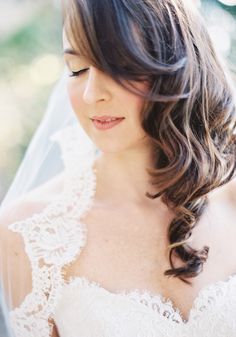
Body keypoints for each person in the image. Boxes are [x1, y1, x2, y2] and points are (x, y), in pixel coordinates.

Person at [0, 0, 236, 336]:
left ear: (174, 64)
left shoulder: (230, 194)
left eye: (118, 65)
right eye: (77, 69)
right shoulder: (28, 235)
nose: (92, 94)